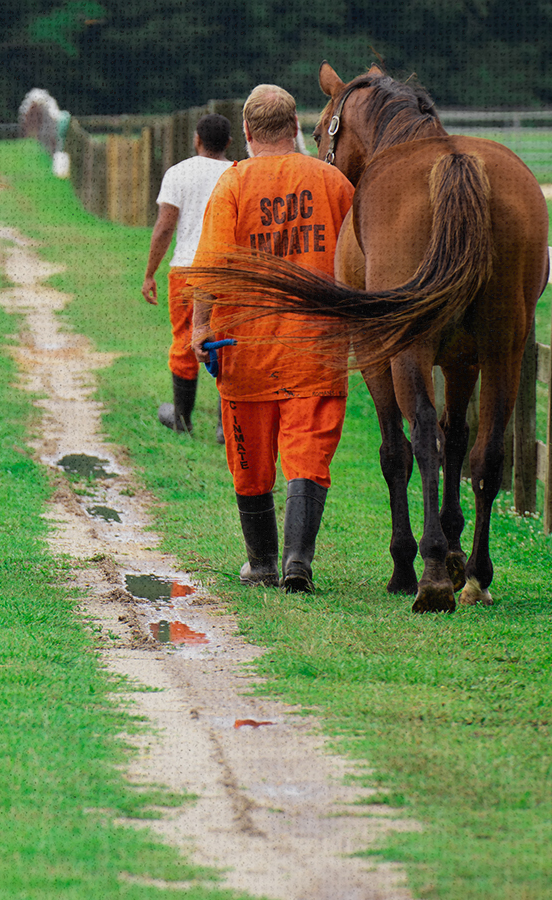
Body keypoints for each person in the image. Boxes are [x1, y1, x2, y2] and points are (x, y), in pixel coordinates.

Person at [189, 84, 354, 592]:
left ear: (246, 132)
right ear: (297, 126)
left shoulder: (233, 185)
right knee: (307, 454)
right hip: (316, 345)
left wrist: (199, 326)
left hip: (246, 346)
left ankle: (261, 562)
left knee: (250, 458)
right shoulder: (333, 182)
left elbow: (213, 264)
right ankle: (297, 562)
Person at [142, 113, 234, 434]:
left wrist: (150, 272)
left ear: (197, 139)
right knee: (226, 340)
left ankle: (182, 419)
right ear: (229, 143)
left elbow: (165, 226)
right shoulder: (237, 173)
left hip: (186, 269)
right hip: (228, 271)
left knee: (184, 340)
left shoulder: (178, 173)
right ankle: (228, 426)